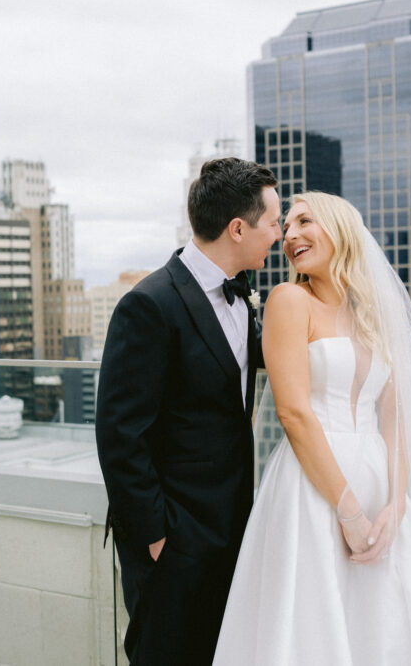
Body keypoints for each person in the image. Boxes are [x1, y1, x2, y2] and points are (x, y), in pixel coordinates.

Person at [213, 192, 411, 665]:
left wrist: (396, 504)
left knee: (386, 632)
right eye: (288, 225)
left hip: (381, 489)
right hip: (312, 491)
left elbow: (395, 414)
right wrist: (349, 511)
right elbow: (293, 413)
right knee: (313, 629)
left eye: (305, 220)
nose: (291, 235)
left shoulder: (376, 313)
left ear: (341, 228)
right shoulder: (288, 300)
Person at [95, 157, 281, 664]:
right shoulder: (149, 305)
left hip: (230, 533)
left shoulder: (242, 303)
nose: (280, 235)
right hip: (174, 542)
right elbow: (119, 436)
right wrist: (159, 538)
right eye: (274, 223)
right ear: (238, 228)